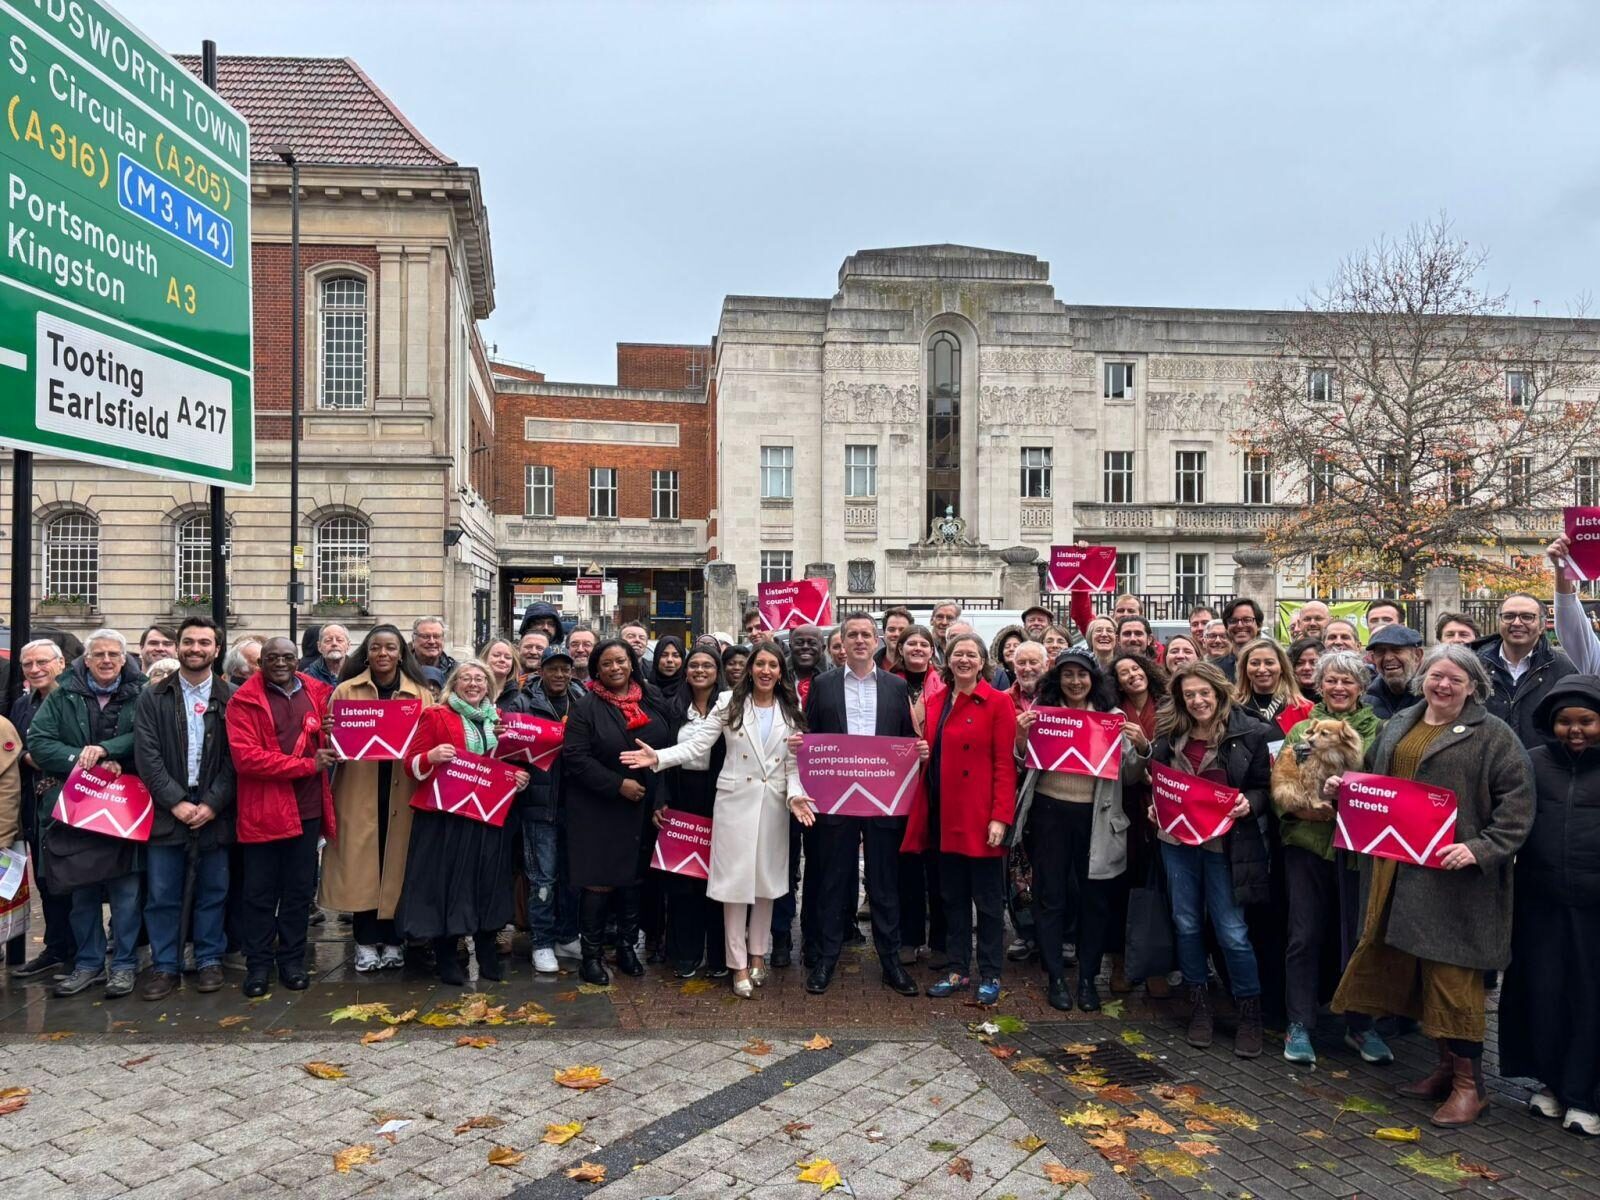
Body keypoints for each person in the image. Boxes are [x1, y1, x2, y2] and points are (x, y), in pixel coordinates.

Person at [1330, 644, 1534, 1127]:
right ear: (1423, 677)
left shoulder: (1495, 736)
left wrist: (1481, 849)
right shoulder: (1401, 724)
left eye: (1455, 680)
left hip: (1458, 882)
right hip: (1401, 872)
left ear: (1473, 688)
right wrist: (1347, 791)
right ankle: (1445, 1069)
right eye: (1436, 677)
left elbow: (1518, 806)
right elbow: (1380, 785)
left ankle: (1472, 1086)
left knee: (1455, 980)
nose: (1442, 686)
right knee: (1422, 974)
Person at [627, 643, 803, 998]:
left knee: (766, 886)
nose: (766, 670)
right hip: (735, 803)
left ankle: (758, 955)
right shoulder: (728, 703)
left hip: (773, 806)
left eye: (773, 665)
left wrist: (795, 795)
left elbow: (792, 765)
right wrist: (658, 757)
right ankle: (737, 963)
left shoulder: (791, 708)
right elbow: (697, 746)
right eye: (760, 664)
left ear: (781, 672)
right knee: (734, 887)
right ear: (750, 669)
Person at [1148, 662, 1272, 1057]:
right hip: (1177, 839)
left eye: (1204, 693)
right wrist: (1156, 807)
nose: (1198, 701)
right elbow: (1158, 780)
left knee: (1232, 931)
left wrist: (1248, 804)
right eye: (1190, 695)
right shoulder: (1170, 734)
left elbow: (1266, 788)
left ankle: (1249, 1012)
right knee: (1186, 923)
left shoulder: (1251, 732)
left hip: (1226, 844)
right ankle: (1198, 1005)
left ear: (1219, 692)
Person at [799, 611, 924, 996]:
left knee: (885, 884)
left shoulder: (893, 686)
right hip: (837, 800)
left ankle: (891, 963)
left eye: (865, 635)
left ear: (877, 642)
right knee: (834, 882)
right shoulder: (823, 684)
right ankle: (825, 960)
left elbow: (904, 736)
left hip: (881, 800)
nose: (858, 640)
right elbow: (811, 735)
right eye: (851, 634)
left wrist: (917, 748)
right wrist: (799, 745)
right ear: (842, 642)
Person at [1274, 650, 1389, 1067]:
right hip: (1307, 844)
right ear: (1319, 685)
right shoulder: (1302, 732)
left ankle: (1360, 1024)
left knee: (1360, 938)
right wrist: (1307, 807)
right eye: (1331, 681)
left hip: (1361, 851)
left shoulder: (1379, 731)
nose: (1339, 688)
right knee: (1303, 935)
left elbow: (1388, 787)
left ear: (1361, 687)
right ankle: (1299, 1023)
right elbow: (1282, 785)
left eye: (1349, 681)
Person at [1499, 675, 1600, 1136]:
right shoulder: (1534, 762)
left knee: (1589, 997)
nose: (1575, 730)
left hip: (1594, 908)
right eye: (1564, 721)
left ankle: (1585, 1095)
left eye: (1587, 721)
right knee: (1543, 992)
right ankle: (1551, 1083)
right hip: (1540, 901)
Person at [1015, 646, 1140, 1011]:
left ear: (1093, 679)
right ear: (1058, 679)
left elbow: (1130, 774)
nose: (1075, 682)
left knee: (1093, 900)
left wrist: (1141, 746)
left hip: (1096, 817)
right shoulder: (1042, 714)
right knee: (1051, 896)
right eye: (1067, 674)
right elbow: (1024, 764)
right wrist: (1022, 739)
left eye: (1081, 674)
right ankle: (1055, 975)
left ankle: (1087, 979)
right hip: (1049, 814)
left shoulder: (1111, 717)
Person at [891, 633, 1013, 1003]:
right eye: (958, 654)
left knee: (989, 904)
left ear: (982, 662)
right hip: (945, 817)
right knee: (953, 900)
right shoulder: (937, 700)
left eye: (971, 654)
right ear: (948, 660)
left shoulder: (997, 703)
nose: (964, 660)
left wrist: (1000, 817)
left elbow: (1004, 765)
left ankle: (990, 972)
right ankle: (958, 970)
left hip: (981, 818)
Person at [396, 662, 529, 986]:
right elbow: (409, 764)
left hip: (485, 816)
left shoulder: (497, 720)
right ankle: (447, 957)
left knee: (486, 884)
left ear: (489, 686)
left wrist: (517, 776)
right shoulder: (435, 716)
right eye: (466, 678)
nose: (473, 684)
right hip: (444, 818)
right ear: (454, 685)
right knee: (446, 886)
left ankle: (486, 954)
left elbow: (500, 767)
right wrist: (430, 757)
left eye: (480, 679)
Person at [32, 630, 146, 999]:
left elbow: (147, 736)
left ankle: (125, 966)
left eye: (114, 654)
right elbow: (39, 741)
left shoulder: (142, 692)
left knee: (126, 895)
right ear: (85, 659)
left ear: (125, 658)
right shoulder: (63, 694)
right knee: (81, 894)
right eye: (99, 654)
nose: (107, 660)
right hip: (76, 809)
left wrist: (106, 750)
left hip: (122, 810)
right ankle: (89, 964)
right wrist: (82, 762)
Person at [226, 637, 337, 997]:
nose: (280, 663)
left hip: (306, 809)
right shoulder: (244, 700)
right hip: (264, 809)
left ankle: (292, 961)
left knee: (298, 891)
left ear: (298, 660)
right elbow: (247, 759)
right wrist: (306, 765)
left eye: (288, 657)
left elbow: (333, 740)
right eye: (272, 657)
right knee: (259, 892)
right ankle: (258, 965)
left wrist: (334, 735)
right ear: (260, 663)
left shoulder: (318, 692)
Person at [132, 617, 236, 1001]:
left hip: (215, 809)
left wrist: (211, 802)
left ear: (216, 649)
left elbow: (236, 758)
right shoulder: (153, 696)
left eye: (204, 643)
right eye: (188, 642)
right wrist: (175, 801)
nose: (196, 649)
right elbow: (147, 755)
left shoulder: (232, 697)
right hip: (166, 809)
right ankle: (164, 966)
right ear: (177, 647)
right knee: (162, 895)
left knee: (214, 890)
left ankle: (209, 959)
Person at [562, 639, 674, 984]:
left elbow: (670, 748)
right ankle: (591, 956)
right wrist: (616, 784)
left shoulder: (652, 697)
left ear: (631, 663)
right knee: (599, 885)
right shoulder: (586, 707)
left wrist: (660, 798)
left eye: (621, 661)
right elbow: (575, 757)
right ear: (597, 668)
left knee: (634, 883)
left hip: (646, 805)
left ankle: (627, 948)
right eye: (607, 663)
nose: (615, 668)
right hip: (601, 809)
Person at [320, 626, 431, 973]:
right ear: (366, 653)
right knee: (362, 865)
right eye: (376, 648)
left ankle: (394, 940)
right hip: (359, 788)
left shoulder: (421, 695)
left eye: (391, 648)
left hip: (403, 789)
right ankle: (366, 941)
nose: (383, 654)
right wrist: (329, 731)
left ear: (402, 653)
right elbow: (330, 744)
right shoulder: (345, 691)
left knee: (397, 864)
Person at [645, 644, 727, 979]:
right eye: (694, 664)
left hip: (720, 795)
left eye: (708, 665)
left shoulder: (729, 706)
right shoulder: (672, 707)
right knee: (683, 879)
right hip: (680, 795)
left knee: (719, 878)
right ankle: (685, 952)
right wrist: (660, 799)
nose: (700, 670)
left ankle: (720, 955)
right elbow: (661, 756)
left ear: (717, 670)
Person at [507, 644, 586, 972]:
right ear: (541, 670)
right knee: (543, 878)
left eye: (565, 668)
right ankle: (541, 942)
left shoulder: (582, 700)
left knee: (571, 877)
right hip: (538, 807)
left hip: (577, 804)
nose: (560, 674)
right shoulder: (523, 702)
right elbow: (508, 750)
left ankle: (567, 935)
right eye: (553, 668)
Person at [8, 639, 77, 980]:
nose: (35, 670)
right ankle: (56, 948)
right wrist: (25, 758)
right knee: (44, 880)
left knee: (73, 881)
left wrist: (48, 760)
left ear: (61, 663)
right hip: (34, 805)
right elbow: (17, 750)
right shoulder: (22, 705)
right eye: (28, 665)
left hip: (73, 803)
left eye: (42, 662)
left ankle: (80, 953)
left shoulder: (75, 700)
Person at [892, 624, 946, 968]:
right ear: (901, 649)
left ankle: (940, 942)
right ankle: (909, 939)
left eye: (923, 643)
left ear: (931, 650)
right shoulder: (887, 682)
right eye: (910, 643)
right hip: (898, 788)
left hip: (937, 787)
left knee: (940, 871)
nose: (917, 648)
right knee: (906, 870)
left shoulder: (945, 684)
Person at [773, 625, 827, 967]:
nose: (805, 647)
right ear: (788, 645)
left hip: (823, 787)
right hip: (781, 786)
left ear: (822, 646)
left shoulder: (834, 678)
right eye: (799, 642)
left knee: (820, 868)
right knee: (783, 865)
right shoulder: (777, 678)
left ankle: (813, 937)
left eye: (812, 642)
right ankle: (780, 938)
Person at [1474, 591, 1574, 749]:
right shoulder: (1475, 666)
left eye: (1527, 617)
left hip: (1541, 767)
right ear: (1499, 622)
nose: (1516, 623)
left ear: (1542, 626)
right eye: (1509, 616)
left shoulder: (1564, 669)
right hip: (1484, 765)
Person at [1232, 637, 1314, 733]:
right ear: (1245, 668)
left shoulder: (1304, 709)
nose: (1262, 669)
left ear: (1282, 667)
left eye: (1269, 663)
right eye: (1254, 663)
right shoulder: (1232, 707)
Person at [1364, 624, 1425, 718]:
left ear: (1417, 655)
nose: (1388, 658)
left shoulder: (1432, 697)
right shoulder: (1367, 701)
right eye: (1381, 651)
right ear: (1373, 659)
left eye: (1397, 650)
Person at [1216, 598, 1264, 681]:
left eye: (1247, 620)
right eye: (1233, 621)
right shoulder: (1215, 669)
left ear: (1259, 625)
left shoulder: (1270, 666)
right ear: (1226, 627)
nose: (1240, 625)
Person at [411, 617, 456, 688]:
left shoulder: (456, 671)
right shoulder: (401, 670)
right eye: (425, 636)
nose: (432, 641)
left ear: (443, 640)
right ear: (413, 639)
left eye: (437, 636)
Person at [477, 635, 521, 705]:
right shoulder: (473, 688)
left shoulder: (519, 696)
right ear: (485, 658)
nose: (502, 660)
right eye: (496, 655)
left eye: (507, 657)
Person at [304, 624, 350, 688]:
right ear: (319, 646)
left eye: (339, 640)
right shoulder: (309, 675)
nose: (334, 643)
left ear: (348, 646)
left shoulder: (358, 672)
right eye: (328, 640)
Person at [649, 635, 687, 704]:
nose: (670, 660)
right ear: (656, 658)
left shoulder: (691, 690)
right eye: (664, 655)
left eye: (675, 655)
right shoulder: (645, 690)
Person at [875, 607, 914, 672]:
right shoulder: (870, 666)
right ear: (884, 633)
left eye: (902, 630)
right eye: (891, 629)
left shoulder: (919, 667)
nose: (896, 634)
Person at [1287, 636, 1324, 704]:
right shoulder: (1283, 699)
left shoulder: (1332, 699)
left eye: (1314, 662)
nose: (1307, 668)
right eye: (1299, 663)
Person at [989, 624, 1026, 690]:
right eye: (1007, 646)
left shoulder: (1030, 674)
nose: (1011, 649)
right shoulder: (994, 676)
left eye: (1016, 646)